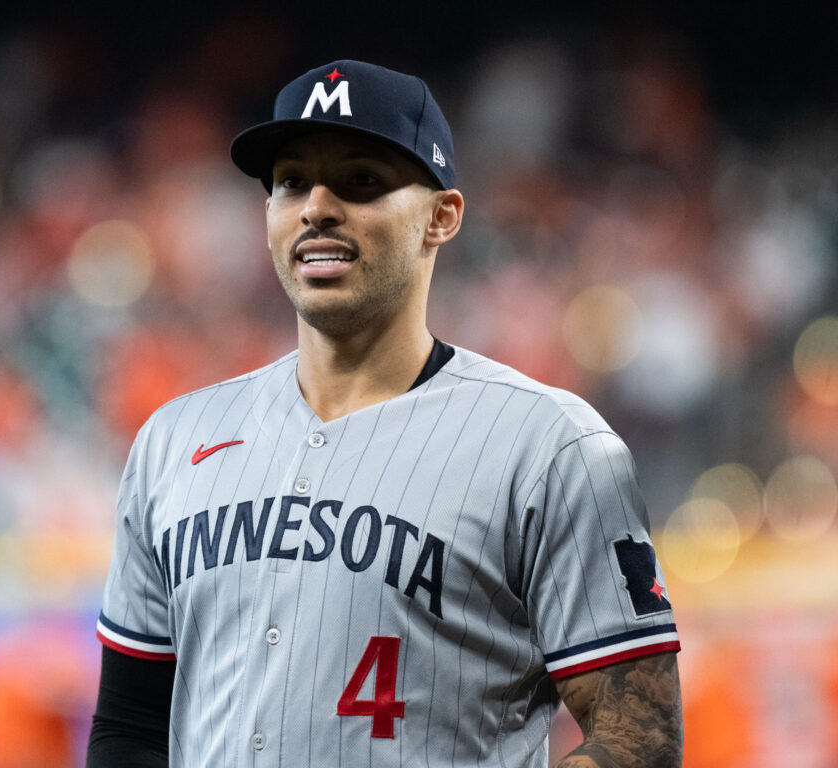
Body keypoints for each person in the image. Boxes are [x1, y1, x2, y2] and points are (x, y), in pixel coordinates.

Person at [87, 59, 683, 768]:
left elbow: (639, 739)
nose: (317, 206)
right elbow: (128, 724)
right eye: (290, 182)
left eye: (361, 181)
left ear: (442, 217)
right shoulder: (174, 440)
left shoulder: (551, 447)